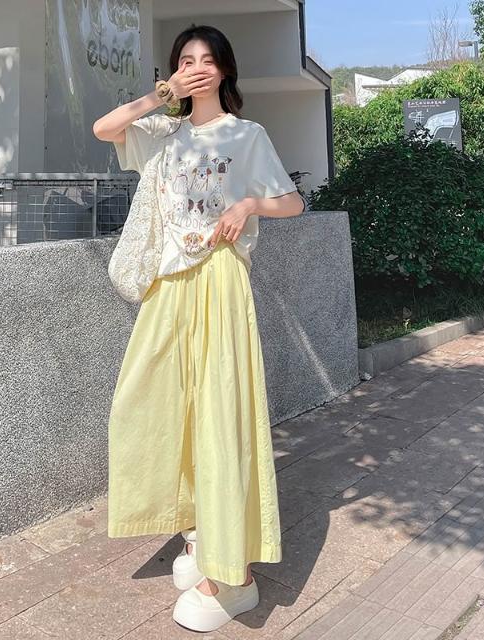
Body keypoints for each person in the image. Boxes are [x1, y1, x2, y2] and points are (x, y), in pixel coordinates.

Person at [92, 24, 304, 633]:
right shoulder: (164, 134)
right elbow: (105, 128)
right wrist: (161, 97)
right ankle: (197, 528)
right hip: (168, 281)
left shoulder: (246, 134)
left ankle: (231, 572)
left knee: (220, 411)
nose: (198, 68)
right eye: (186, 60)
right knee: (150, 401)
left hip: (219, 276)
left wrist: (248, 204)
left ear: (225, 70)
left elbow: (292, 202)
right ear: (174, 72)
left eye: (208, 60)